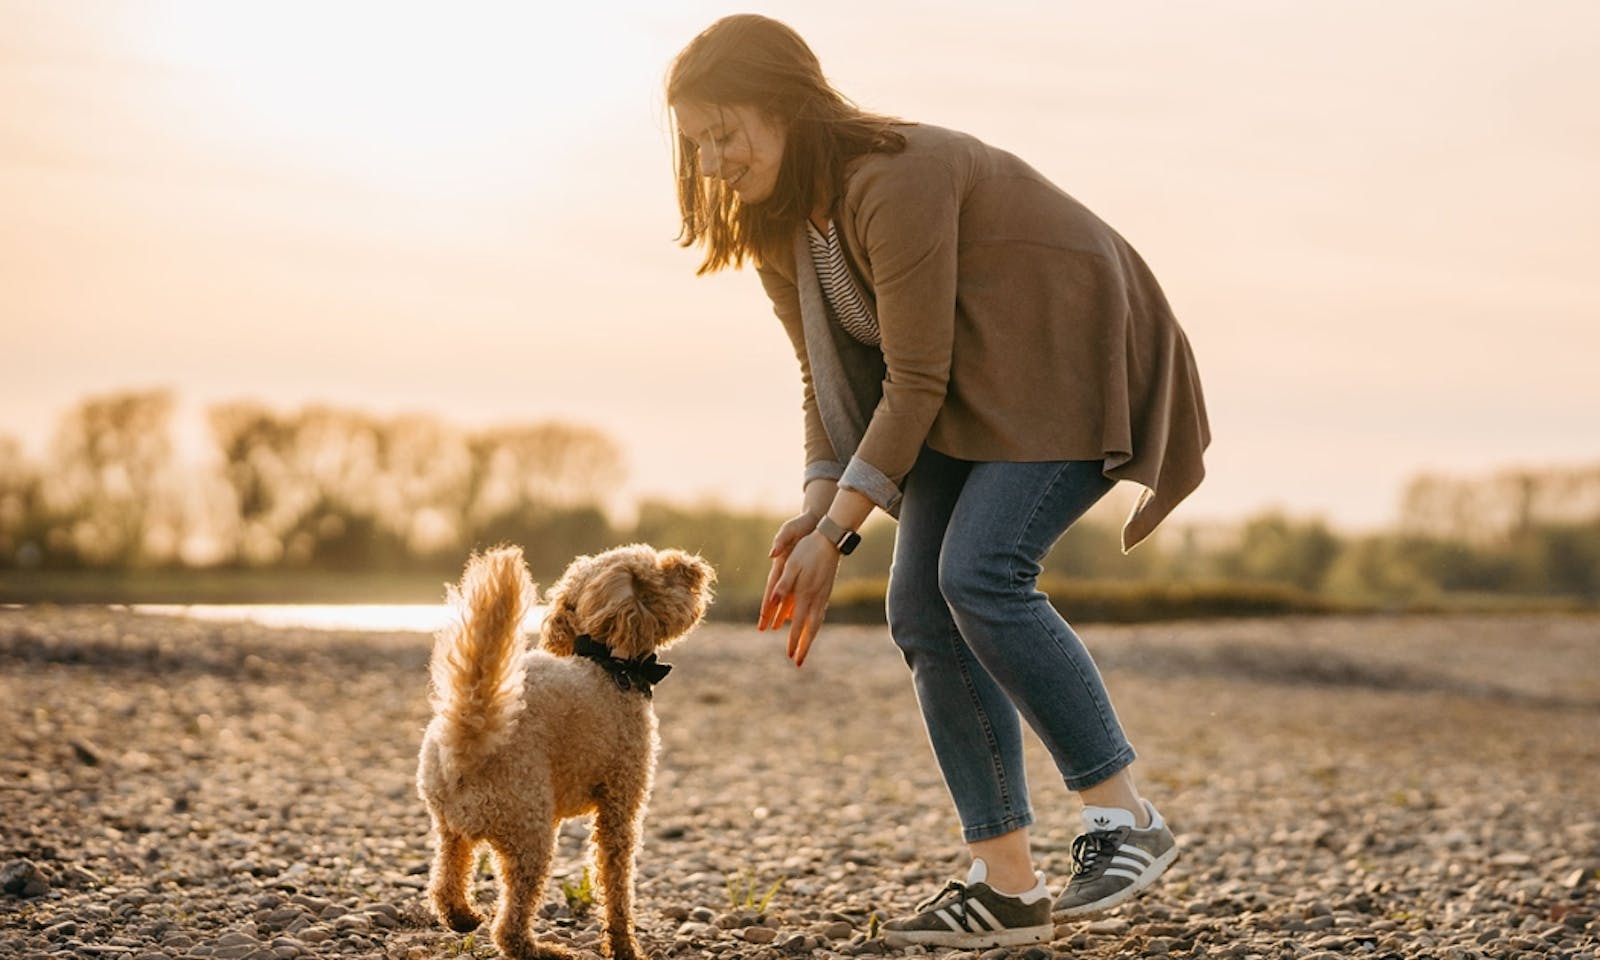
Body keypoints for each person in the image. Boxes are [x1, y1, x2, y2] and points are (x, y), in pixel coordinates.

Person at [666, 14, 1210, 950]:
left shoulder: (893, 177)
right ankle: (1006, 885)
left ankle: (1127, 821)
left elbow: (914, 377)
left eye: (726, 132)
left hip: (1063, 355)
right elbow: (825, 380)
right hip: (969, 395)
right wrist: (813, 510)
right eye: (695, 143)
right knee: (920, 605)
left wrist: (843, 531)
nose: (712, 161)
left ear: (789, 106)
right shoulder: (779, 228)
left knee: (982, 575)